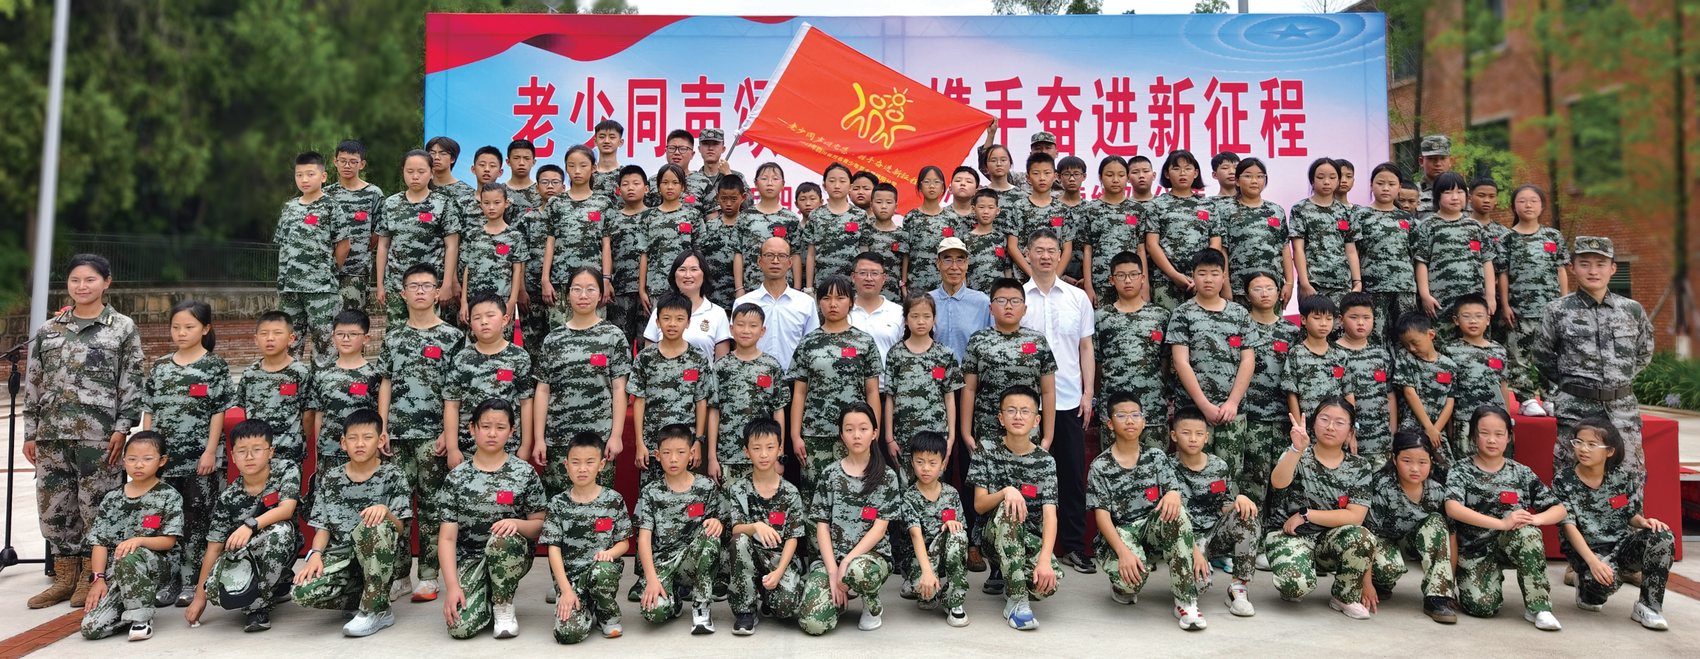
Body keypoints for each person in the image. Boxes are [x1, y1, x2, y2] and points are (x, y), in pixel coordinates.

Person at [26, 255, 145, 610]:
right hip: (52, 435)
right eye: (75, 280)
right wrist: (30, 432)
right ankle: (64, 577)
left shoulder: (121, 327)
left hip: (99, 435)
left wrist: (123, 427)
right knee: (54, 508)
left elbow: (132, 380)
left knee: (95, 506)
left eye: (90, 279)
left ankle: (91, 577)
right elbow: (34, 382)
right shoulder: (49, 329)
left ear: (106, 282)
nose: (82, 286)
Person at [377, 263, 467, 602]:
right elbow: (385, 383)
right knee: (397, 506)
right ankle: (400, 575)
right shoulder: (394, 337)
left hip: (433, 436)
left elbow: (456, 391)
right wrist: (382, 427)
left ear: (437, 293)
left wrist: (448, 432)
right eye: (413, 286)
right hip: (398, 436)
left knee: (432, 508)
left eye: (427, 285)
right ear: (403, 294)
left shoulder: (452, 337)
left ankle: (429, 576)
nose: (419, 291)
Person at [1535, 236, 1654, 474]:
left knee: (1629, 477)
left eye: (1600, 264)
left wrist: (1618, 379)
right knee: (1570, 476)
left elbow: (1644, 351)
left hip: (1622, 411)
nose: (1593, 271)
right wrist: (1575, 384)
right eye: (1585, 264)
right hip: (1576, 410)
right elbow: (1542, 356)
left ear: (1613, 269)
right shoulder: (1556, 310)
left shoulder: (1632, 310)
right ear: (1572, 268)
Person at [139, 300, 231, 607]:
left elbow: (219, 412)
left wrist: (210, 452)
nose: (181, 332)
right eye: (176, 327)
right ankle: (169, 580)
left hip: (199, 462)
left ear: (205, 329)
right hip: (164, 462)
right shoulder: (161, 366)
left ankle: (193, 581)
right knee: (164, 522)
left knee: (197, 521)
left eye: (189, 327)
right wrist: (147, 453)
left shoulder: (214, 366)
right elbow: (149, 412)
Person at [290, 410, 412, 637]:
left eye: (367, 437)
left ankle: (376, 611)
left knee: (375, 525)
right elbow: (323, 526)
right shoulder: (331, 478)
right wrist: (315, 555)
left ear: (380, 440)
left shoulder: (392, 475)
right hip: (342, 559)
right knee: (301, 592)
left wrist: (385, 512)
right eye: (353, 438)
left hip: (380, 560)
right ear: (343, 443)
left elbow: (400, 528)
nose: (360, 444)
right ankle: (364, 596)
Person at [1016, 228, 1096, 575]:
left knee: (1071, 474)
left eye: (1052, 250)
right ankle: (1026, 545)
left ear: (1060, 256)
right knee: (1025, 476)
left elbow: (1085, 348)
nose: (1046, 256)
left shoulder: (1077, 298)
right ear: (1027, 254)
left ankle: (1074, 545)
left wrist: (1088, 393)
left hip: (1067, 399)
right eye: (1039, 250)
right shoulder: (1017, 297)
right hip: (1025, 405)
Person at [1444, 405, 1566, 630]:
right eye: (1484, 433)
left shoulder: (1520, 472)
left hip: (1510, 543)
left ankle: (1539, 607)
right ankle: (1489, 582)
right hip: (1475, 550)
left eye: (1499, 434)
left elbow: (1559, 509)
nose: (1492, 440)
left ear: (1509, 437)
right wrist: (1502, 523)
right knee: (1481, 607)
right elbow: (1453, 508)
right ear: (1473, 435)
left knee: (1528, 534)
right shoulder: (1461, 470)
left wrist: (1534, 520)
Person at [1086, 396, 1204, 629]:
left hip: (1151, 531)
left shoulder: (1156, 457)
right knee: (1131, 583)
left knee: (1176, 509)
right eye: (1121, 415)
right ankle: (1121, 588)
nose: (1130, 420)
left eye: (1135, 415)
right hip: (1120, 535)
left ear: (1143, 422)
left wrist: (1173, 494)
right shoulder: (1100, 466)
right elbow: (1102, 517)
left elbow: (1175, 500)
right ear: (1110, 424)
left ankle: (1186, 601)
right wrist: (1123, 553)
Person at [439, 399, 546, 639]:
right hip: (470, 558)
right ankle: (485, 594)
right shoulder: (457, 478)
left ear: (512, 430)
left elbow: (539, 524)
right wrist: (452, 587)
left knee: (502, 540)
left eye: (500, 427)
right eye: (485, 426)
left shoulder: (524, 473)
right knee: (460, 628)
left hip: (510, 553)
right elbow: (447, 538)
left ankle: (503, 606)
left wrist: (517, 524)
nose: (492, 434)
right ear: (472, 428)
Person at [1555, 417, 1673, 630]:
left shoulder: (1621, 477)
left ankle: (1648, 606)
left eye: (1592, 444)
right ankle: (1585, 586)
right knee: (1603, 586)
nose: (1583, 449)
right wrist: (1593, 563)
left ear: (1609, 451)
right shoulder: (1563, 480)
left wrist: (1645, 522)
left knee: (1662, 536)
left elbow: (1630, 514)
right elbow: (1568, 525)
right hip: (1589, 553)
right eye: (1579, 442)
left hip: (1621, 546)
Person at [1264, 397, 1375, 619]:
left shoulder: (1359, 466)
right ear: (1314, 423)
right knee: (1295, 586)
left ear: (1351, 432)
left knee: (1362, 536)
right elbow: (1278, 482)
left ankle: (1344, 596)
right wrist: (1296, 449)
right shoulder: (1297, 453)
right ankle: (1297, 573)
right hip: (1291, 535)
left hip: (1329, 540)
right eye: (1324, 419)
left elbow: (1355, 516)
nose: (1330, 427)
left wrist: (1307, 515)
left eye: (1339, 422)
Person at [185, 420, 300, 633]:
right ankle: (274, 585)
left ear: (271, 452)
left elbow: (287, 510)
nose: (249, 457)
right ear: (232, 456)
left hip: (283, 545)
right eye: (242, 451)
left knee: (281, 531)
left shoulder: (286, 470)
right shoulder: (229, 496)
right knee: (216, 592)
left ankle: (258, 607)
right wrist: (200, 598)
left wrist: (250, 526)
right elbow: (214, 547)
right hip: (245, 554)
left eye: (257, 450)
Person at [798, 403, 901, 635]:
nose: (856, 435)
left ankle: (871, 605)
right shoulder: (829, 474)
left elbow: (879, 529)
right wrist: (833, 571)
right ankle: (838, 603)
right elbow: (822, 527)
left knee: (858, 570)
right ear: (841, 434)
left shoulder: (886, 476)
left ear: (874, 433)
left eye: (863, 429)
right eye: (849, 429)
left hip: (869, 559)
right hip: (833, 561)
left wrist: (846, 562)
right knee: (813, 624)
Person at [973, 386, 1063, 630]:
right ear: (1001, 418)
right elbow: (979, 505)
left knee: (1046, 585)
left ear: (1036, 420)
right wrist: (1006, 492)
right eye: (1011, 410)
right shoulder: (986, 449)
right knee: (1008, 509)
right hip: (992, 537)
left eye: (1025, 411)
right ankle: (1017, 601)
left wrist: (1044, 560)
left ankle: (1012, 579)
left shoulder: (1045, 461)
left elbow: (1050, 516)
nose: (1018, 416)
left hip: (1028, 537)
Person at [78, 432, 181, 641]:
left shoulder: (168, 496)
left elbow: (169, 541)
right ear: (124, 461)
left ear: (162, 461)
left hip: (156, 566)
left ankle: (141, 619)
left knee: (130, 555)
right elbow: (100, 542)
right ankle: (132, 607)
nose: (139, 465)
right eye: (132, 459)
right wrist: (98, 579)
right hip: (119, 571)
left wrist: (139, 540)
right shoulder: (112, 499)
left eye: (147, 459)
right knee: (91, 629)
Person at [787, 275, 882, 501]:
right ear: (818, 302)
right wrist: (795, 435)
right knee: (814, 497)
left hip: (854, 435)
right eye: (826, 298)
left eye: (840, 298)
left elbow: (872, 392)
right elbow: (799, 392)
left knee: (853, 495)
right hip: (815, 434)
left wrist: (873, 434)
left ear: (851, 302)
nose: (833, 304)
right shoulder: (808, 343)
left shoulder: (864, 341)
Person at [536, 267, 631, 492]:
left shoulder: (613, 337)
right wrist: (539, 438)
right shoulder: (553, 339)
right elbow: (542, 390)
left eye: (590, 289)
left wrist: (616, 436)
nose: (583, 295)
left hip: (598, 439)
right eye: (577, 289)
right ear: (568, 294)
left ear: (600, 295)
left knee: (597, 503)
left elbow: (620, 388)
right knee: (558, 503)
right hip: (559, 438)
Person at [1166, 248, 1255, 479]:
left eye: (1215, 274)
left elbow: (1248, 360)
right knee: (1192, 475)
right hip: (1193, 413)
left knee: (1229, 476)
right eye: (1202, 273)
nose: (1208, 279)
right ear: (1193, 276)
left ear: (1224, 277)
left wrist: (1232, 403)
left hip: (1232, 413)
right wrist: (1204, 406)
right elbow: (1180, 362)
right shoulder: (1183, 314)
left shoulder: (1239, 314)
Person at [541, 431, 632, 644]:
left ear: (601, 465)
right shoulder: (557, 504)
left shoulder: (613, 500)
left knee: (604, 569)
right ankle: (585, 608)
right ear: (566, 465)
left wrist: (609, 553)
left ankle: (606, 614)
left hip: (600, 573)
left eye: (590, 462)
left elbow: (624, 543)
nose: (582, 468)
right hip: (570, 580)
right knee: (567, 635)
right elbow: (553, 549)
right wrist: (565, 590)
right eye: (576, 462)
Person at [1360, 430, 1457, 624]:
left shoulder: (1437, 492)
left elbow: (1451, 539)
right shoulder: (1382, 487)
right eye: (1407, 461)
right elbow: (1366, 537)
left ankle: (1437, 598)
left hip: (1413, 544)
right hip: (1383, 543)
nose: (1415, 469)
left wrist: (1448, 586)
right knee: (1388, 567)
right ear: (1394, 459)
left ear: (1431, 461)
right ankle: (1380, 583)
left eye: (1422, 462)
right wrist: (1366, 584)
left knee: (1437, 522)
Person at [635, 424, 725, 634]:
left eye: (681, 452)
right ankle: (673, 600)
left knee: (711, 536)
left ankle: (701, 606)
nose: (673, 459)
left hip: (693, 560)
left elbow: (722, 520)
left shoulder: (706, 487)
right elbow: (644, 539)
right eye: (667, 453)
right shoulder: (650, 492)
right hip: (663, 563)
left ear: (692, 453)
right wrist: (651, 580)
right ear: (657, 455)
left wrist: (718, 522)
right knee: (653, 612)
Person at [1173, 406, 1259, 621]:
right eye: (1186, 433)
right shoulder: (1166, 467)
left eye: (1199, 434)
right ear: (1173, 436)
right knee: (1198, 584)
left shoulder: (1217, 466)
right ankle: (1185, 597)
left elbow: (1224, 505)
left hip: (1213, 535)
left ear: (1206, 438)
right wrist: (1193, 549)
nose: (1193, 439)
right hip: (1183, 538)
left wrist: (1239, 501)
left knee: (1246, 515)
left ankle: (1238, 587)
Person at [723, 419, 807, 634]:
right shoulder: (739, 488)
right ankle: (745, 611)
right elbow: (735, 530)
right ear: (746, 452)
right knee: (739, 540)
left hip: (780, 559)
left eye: (770, 448)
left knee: (786, 607)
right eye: (756, 448)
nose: (763, 454)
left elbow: (793, 538)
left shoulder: (790, 492)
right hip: (750, 557)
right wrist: (756, 526)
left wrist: (779, 573)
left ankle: (768, 596)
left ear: (779, 450)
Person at [629, 293, 712, 485]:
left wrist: (698, 441)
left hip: (686, 445)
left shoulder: (697, 358)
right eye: (666, 318)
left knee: (685, 491)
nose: (672, 324)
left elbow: (701, 401)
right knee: (651, 492)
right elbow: (639, 401)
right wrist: (640, 443)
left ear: (688, 323)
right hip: (653, 443)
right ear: (657, 322)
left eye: (679, 319)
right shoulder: (645, 358)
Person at [1500, 184, 1568, 413]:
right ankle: (1526, 399)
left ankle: (1550, 397)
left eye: (1533, 201)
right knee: (1518, 356)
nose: (1528, 205)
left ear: (1542, 206)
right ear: (1513, 206)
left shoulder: (1553, 236)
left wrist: (1564, 302)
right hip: (1519, 309)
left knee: (1550, 355)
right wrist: (1505, 305)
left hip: (1550, 309)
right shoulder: (1507, 238)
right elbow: (1503, 274)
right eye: (1522, 201)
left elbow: (1561, 270)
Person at [444, 294, 535, 459]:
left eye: (490, 316)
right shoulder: (461, 359)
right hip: (468, 448)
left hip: (509, 448)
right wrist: (452, 449)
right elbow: (452, 405)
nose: (484, 322)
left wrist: (525, 445)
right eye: (477, 318)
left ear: (505, 319)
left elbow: (526, 403)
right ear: (470, 323)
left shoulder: (519, 357)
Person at [1094, 252, 1170, 450]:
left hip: (1152, 409)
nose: (1127, 280)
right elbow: (1097, 363)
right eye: (1121, 275)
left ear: (1142, 278)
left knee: (1155, 464)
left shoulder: (1160, 316)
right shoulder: (1101, 318)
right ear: (1111, 280)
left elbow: (1165, 361)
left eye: (1133, 275)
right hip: (1114, 409)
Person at [707, 304, 790, 483]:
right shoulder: (721, 367)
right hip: (728, 455)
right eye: (740, 325)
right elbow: (714, 411)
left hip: (764, 456)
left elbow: (778, 411)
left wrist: (779, 454)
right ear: (731, 329)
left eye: (753, 326)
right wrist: (712, 458)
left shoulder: (771, 366)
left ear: (762, 331)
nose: (746, 330)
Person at [274, 150, 345, 359]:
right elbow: (283, 245)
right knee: (288, 340)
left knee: (324, 341)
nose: (304, 179)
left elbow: (343, 244)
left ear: (323, 176)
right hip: (290, 288)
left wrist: (329, 271)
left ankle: (323, 379)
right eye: (299, 175)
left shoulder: (331, 206)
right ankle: (291, 377)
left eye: (310, 174)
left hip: (320, 288)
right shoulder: (289, 207)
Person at [884, 294, 962, 478]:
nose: (921, 321)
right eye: (915, 316)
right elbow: (890, 397)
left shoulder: (945, 354)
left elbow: (949, 397)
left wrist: (951, 438)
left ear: (934, 319)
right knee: (905, 486)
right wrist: (889, 438)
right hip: (904, 438)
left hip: (936, 436)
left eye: (927, 316)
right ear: (906, 319)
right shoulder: (896, 354)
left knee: (934, 485)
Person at [375, 150, 460, 320]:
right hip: (397, 283)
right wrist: (380, 284)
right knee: (397, 330)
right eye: (410, 171)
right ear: (403, 172)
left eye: (421, 172)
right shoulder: (391, 203)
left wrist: (446, 284)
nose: (415, 177)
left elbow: (452, 246)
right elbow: (383, 245)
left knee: (430, 330)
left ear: (431, 172)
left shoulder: (442, 204)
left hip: (430, 284)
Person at [1240, 271, 1301, 503]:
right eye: (1257, 289)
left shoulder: (1292, 332)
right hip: (1251, 416)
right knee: (1253, 481)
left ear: (1279, 293)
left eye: (1269, 288)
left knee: (1283, 483)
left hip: (1284, 418)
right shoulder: (1240, 327)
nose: (1264, 293)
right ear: (1247, 296)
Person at [898, 431, 970, 627]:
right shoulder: (909, 497)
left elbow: (962, 533)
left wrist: (951, 525)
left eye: (932, 462)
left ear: (943, 464)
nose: (926, 468)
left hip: (947, 554)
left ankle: (954, 601)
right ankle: (928, 586)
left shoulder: (951, 494)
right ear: (912, 463)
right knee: (925, 594)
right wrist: (927, 572)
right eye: (920, 462)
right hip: (921, 558)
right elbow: (915, 535)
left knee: (957, 535)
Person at [542, 145, 615, 327]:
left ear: (593, 168)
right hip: (561, 280)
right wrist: (545, 280)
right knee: (559, 332)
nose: (577, 171)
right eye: (571, 165)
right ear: (566, 168)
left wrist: (606, 280)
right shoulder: (556, 203)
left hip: (593, 282)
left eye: (583, 165)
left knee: (593, 332)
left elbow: (606, 244)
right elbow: (550, 242)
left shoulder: (603, 203)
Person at [1143, 150, 1223, 310]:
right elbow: (1151, 244)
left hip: (1202, 282)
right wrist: (1174, 275)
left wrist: (1203, 275)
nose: (1182, 173)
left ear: (1196, 173)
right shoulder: (1156, 205)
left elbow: (1215, 242)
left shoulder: (1208, 205)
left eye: (1187, 168)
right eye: (1176, 168)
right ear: (1166, 174)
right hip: (1165, 281)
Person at [1348, 163, 1419, 344]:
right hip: (1373, 286)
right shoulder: (1361, 215)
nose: (1386, 188)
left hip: (1404, 287)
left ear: (1399, 187)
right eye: (1380, 183)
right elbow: (1353, 251)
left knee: (1406, 335)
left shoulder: (1408, 219)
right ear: (1371, 185)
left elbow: (1415, 255)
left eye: (1391, 184)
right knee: (1374, 334)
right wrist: (1357, 281)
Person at [1415, 172, 1496, 328]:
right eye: (1448, 192)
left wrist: (1490, 296)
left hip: (1474, 301)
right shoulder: (1428, 226)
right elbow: (1421, 261)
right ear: (1437, 196)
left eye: (1460, 192)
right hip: (1440, 301)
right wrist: (1425, 295)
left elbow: (1487, 261)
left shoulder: (1475, 227)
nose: (1455, 197)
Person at [234, 311, 313, 464]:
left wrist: (298, 441)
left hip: (290, 452)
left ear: (291, 339)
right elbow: (245, 410)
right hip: (256, 453)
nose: (270, 338)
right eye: (264, 333)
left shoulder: (300, 372)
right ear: (256, 339)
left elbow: (308, 415)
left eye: (277, 333)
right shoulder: (250, 374)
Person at [308, 309, 382, 473]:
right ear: (333, 337)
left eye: (353, 334)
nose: (346, 339)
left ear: (366, 338)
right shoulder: (322, 374)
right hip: (329, 451)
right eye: (340, 334)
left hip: (363, 452)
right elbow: (319, 416)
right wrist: (318, 450)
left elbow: (379, 415)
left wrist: (376, 450)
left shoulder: (374, 375)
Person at [1444, 294, 1516, 459]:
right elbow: (1448, 392)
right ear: (1456, 320)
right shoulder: (1449, 351)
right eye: (1466, 316)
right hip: (1465, 421)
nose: (1473, 321)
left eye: (1479, 316)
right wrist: (1450, 428)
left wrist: (1508, 421)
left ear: (1488, 320)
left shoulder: (1499, 350)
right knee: (1467, 465)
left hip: (1496, 422)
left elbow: (1503, 385)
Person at [733, 236, 819, 371]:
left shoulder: (806, 303)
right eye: (769, 255)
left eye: (782, 256)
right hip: (753, 376)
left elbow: (812, 345)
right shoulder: (743, 302)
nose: (775, 261)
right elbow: (737, 346)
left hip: (793, 377)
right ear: (759, 261)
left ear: (790, 262)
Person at [1335, 293, 1398, 465]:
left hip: (1380, 442)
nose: (1361, 323)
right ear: (1341, 320)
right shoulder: (1333, 354)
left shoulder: (1381, 355)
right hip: (1344, 442)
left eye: (1366, 317)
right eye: (1354, 317)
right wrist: (1349, 432)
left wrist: (1392, 434)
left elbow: (1390, 396)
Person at [1290, 157, 1360, 309]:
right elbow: (1298, 249)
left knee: (1341, 323)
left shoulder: (1346, 211)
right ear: (1312, 180)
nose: (1327, 182)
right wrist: (1305, 283)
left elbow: (1351, 250)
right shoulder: (1300, 209)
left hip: (1342, 284)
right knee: (1314, 322)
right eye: (1320, 177)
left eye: (1332, 177)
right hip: (1313, 283)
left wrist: (1357, 282)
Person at [1220, 158, 1292, 305]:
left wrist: (1289, 283)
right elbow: (1222, 250)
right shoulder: (1225, 210)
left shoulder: (1276, 210)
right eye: (1248, 176)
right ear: (1237, 181)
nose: (1254, 181)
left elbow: (1284, 248)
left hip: (1272, 288)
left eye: (1259, 176)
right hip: (1239, 288)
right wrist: (1225, 284)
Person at [325, 140, 384, 312]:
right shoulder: (326, 194)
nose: (347, 166)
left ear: (362, 164)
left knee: (353, 319)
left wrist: (362, 249)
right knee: (326, 320)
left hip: (357, 271)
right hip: (327, 270)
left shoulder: (373, 194)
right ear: (335, 162)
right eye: (342, 161)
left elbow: (378, 231)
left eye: (353, 162)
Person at [642, 250, 732, 360]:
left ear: (704, 274)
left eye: (694, 269)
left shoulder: (717, 314)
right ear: (674, 275)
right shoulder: (660, 311)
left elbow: (721, 364)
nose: (688, 275)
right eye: (682, 269)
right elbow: (648, 359)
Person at [1081, 156, 1145, 307]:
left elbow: (1141, 249)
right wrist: (1088, 285)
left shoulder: (1137, 209)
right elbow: (1087, 250)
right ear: (1100, 178)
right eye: (1109, 175)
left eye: (1121, 175)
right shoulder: (1090, 209)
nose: (1115, 180)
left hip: (1131, 281)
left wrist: (1144, 285)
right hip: (1100, 281)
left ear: (1127, 178)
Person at [457, 182, 526, 322]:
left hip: (502, 301)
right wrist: (464, 302)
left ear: (506, 203)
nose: (492, 207)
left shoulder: (515, 236)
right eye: (487, 203)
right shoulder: (473, 235)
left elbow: (517, 271)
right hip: (474, 301)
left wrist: (512, 301)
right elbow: (466, 269)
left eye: (497, 202)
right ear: (481, 205)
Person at [1392, 312, 1458, 457]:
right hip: (1411, 428)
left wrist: (1435, 430)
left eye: (1415, 343)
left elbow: (1449, 402)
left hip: (1437, 432)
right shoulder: (1406, 357)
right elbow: (1409, 392)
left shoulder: (1449, 366)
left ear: (1431, 335)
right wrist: (1428, 427)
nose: (1411, 348)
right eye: (1406, 344)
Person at [640, 164, 703, 312]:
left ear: (683, 187)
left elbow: (699, 254)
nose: (670, 187)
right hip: (656, 287)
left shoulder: (692, 216)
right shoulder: (648, 217)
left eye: (675, 183)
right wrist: (642, 290)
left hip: (687, 286)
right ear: (658, 186)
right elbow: (644, 254)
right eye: (665, 182)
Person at [516, 163, 564, 353]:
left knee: (559, 343)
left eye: (555, 182)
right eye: (545, 182)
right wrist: (521, 290)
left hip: (560, 290)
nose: (550, 186)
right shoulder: (527, 219)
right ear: (536, 188)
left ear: (563, 187)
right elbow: (519, 257)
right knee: (532, 345)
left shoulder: (569, 218)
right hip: (531, 291)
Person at [736, 162, 804, 296]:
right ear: (756, 183)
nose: (770, 183)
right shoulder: (745, 217)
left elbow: (795, 254)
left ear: (783, 184)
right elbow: (738, 253)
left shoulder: (790, 218)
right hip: (752, 287)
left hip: (784, 289)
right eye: (764, 178)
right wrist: (739, 288)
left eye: (775, 179)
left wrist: (796, 289)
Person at [803, 163, 869, 290]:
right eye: (832, 181)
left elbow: (864, 252)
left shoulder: (860, 215)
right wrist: (809, 288)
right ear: (824, 186)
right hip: (822, 285)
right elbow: (811, 254)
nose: (837, 185)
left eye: (842, 181)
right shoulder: (816, 215)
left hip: (852, 286)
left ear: (850, 187)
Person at [1282, 295, 1348, 421]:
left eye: (1329, 318)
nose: (1323, 324)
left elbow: (1348, 392)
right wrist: (1298, 426)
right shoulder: (1296, 354)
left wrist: (1349, 425)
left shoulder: (1340, 355)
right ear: (1303, 319)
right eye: (1317, 318)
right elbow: (1291, 393)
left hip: (1335, 424)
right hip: (1307, 424)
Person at [929, 237, 993, 362]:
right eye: (948, 260)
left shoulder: (982, 302)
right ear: (938, 263)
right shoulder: (927, 301)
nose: (954, 267)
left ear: (966, 264)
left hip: (970, 372)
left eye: (960, 260)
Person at [608, 164, 652, 343]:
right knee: (620, 341)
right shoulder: (612, 219)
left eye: (636, 183)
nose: (631, 188)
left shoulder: (654, 216)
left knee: (646, 341)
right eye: (625, 184)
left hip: (648, 291)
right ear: (619, 190)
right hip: (619, 290)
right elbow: (606, 252)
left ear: (646, 189)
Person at [1004, 153, 1061, 281]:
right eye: (1036, 174)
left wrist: (1054, 278)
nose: (1042, 178)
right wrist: (1033, 276)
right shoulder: (1018, 207)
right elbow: (1012, 246)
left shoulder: (1061, 209)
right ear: (1028, 178)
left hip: (1054, 279)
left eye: (1047, 173)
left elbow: (1067, 247)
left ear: (1055, 176)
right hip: (1023, 279)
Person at [849, 252, 905, 379]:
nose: (869, 278)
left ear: (884, 278)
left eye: (874, 273)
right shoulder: (844, 311)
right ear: (853, 277)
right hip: (850, 387)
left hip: (887, 386)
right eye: (863, 273)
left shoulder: (898, 313)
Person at [904, 166, 956, 295]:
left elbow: (956, 254)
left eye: (937, 182)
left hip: (944, 285)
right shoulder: (911, 217)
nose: (932, 186)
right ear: (919, 187)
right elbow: (905, 253)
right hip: (916, 284)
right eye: (927, 182)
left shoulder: (952, 219)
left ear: (943, 188)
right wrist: (903, 283)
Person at [698, 174, 747, 310]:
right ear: (718, 197)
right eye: (724, 199)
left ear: (743, 197)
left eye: (733, 199)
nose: (728, 203)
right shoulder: (709, 227)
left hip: (743, 295)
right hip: (714, 296)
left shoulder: (749, 226)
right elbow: (701, 259)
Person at [862, 184, 908, 300]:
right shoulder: (866, 232)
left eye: (889, 202)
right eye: (879, 202)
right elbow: (862, 262)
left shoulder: (902, 234)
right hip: (869, 293)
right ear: (871, 205)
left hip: (894, 295)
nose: (883, 206)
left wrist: (904, 290)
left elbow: (905, 265)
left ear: (896, 207)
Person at [1053, 155, 1091, 291]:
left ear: (1084, 176)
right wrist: (1062, 276)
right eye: (1067, 174)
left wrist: (1088, 278)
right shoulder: (1052, 208)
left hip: (1087, 278)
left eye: (1076, 174)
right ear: (1058, 177)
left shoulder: (1091, 209)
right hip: (1056, 276)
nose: (1072, 179)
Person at [964, 189, 1013, 292]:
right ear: (973, 209)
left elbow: (1007, 269)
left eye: (991, 207)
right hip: (974, 294)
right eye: (981, 207)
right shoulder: (966, 239)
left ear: (997, 210)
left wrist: (1008, 292)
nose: (986, 211)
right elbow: (963, 272)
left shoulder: (1002, 239)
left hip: (998, 295)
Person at [1415, 135, 1453, 214]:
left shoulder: (1463, 193)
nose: (1438, 164)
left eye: (1443, 158)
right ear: (1421, 161)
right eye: (1431, 158)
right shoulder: (1412, 193)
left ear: (1450, 161)